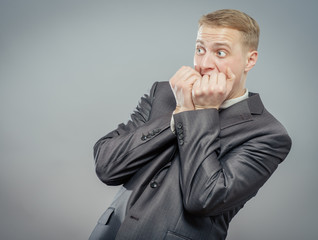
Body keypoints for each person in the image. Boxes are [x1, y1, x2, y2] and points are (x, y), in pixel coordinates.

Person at [89, 9, 292, 240]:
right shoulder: (163, 93)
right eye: (200, 49)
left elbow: (204, 198)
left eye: (221, 52)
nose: (205, 64)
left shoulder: (268, 134)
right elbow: (107, 166)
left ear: (250, 59)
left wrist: (200, 111)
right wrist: (179, 113)